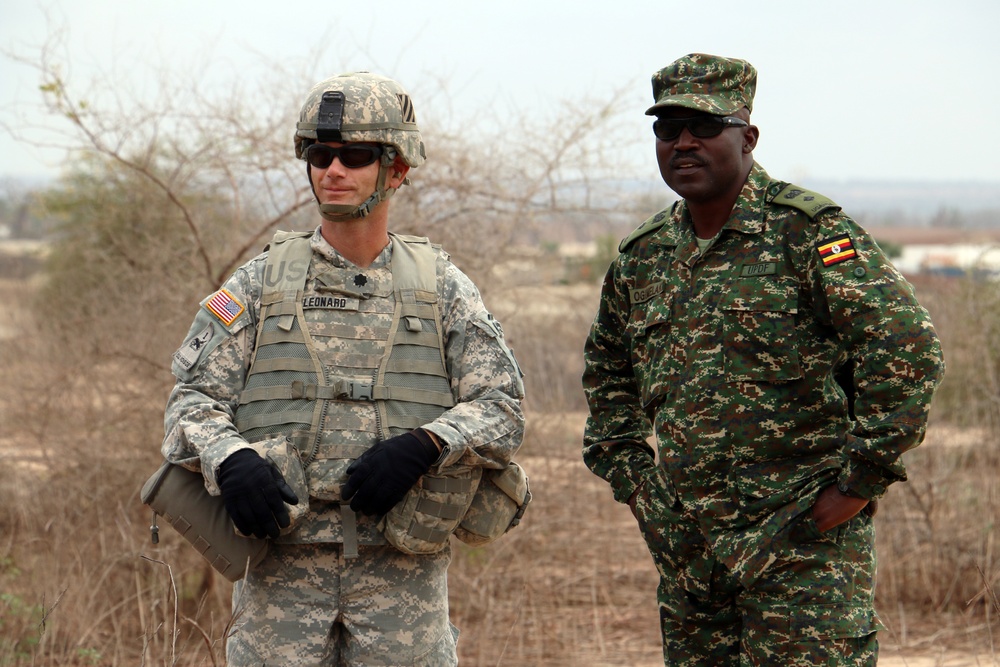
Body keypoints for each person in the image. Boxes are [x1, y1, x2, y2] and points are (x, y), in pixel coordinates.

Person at [581, 53, 945, 666]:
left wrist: (858, 483)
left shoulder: (806, 232)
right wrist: (643, 493)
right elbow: (607, 380)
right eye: (667, 130)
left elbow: (906, 348)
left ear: (747, 137)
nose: (684, 143)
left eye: (703, 126)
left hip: (802, 547)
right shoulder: (643, 256)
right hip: (692, 557)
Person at [162, 71, 525, 666]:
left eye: (354, 156)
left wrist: (428, 444)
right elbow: (190, 401)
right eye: (319, 154)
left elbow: (502, 409)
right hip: (279, 573)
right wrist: (230, 458)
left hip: (401, 577)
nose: (332, 170)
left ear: (397, 169)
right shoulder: (256, 286)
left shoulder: (443, 290)